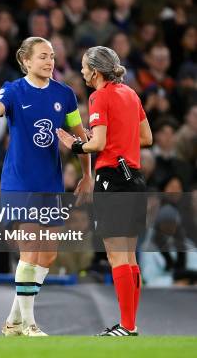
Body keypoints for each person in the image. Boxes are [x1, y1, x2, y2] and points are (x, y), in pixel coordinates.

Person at [0, 37, 92, 336]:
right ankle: (29, 324)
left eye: (52, 56)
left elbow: (81, 138)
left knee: (48, 254)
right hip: (19, 182)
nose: (49, 61)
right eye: (42, 56)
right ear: (26, 61)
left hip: (50, 183)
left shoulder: (64, 94)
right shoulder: (14, 90)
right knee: (29, 250)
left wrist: (86, 174)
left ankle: (13, 320)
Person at [57, 46, 152, 336]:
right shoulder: (131, 94)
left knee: (117, 257)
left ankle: (126, 326)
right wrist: (123, 144)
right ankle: (130, 326)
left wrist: (73, 144)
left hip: (112, 179)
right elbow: (146, 137)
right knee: (130, 257)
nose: (82, 71)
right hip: (135, 177)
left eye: (85, 67)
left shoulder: (100, 96)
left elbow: (97, 143)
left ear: (96, 71)